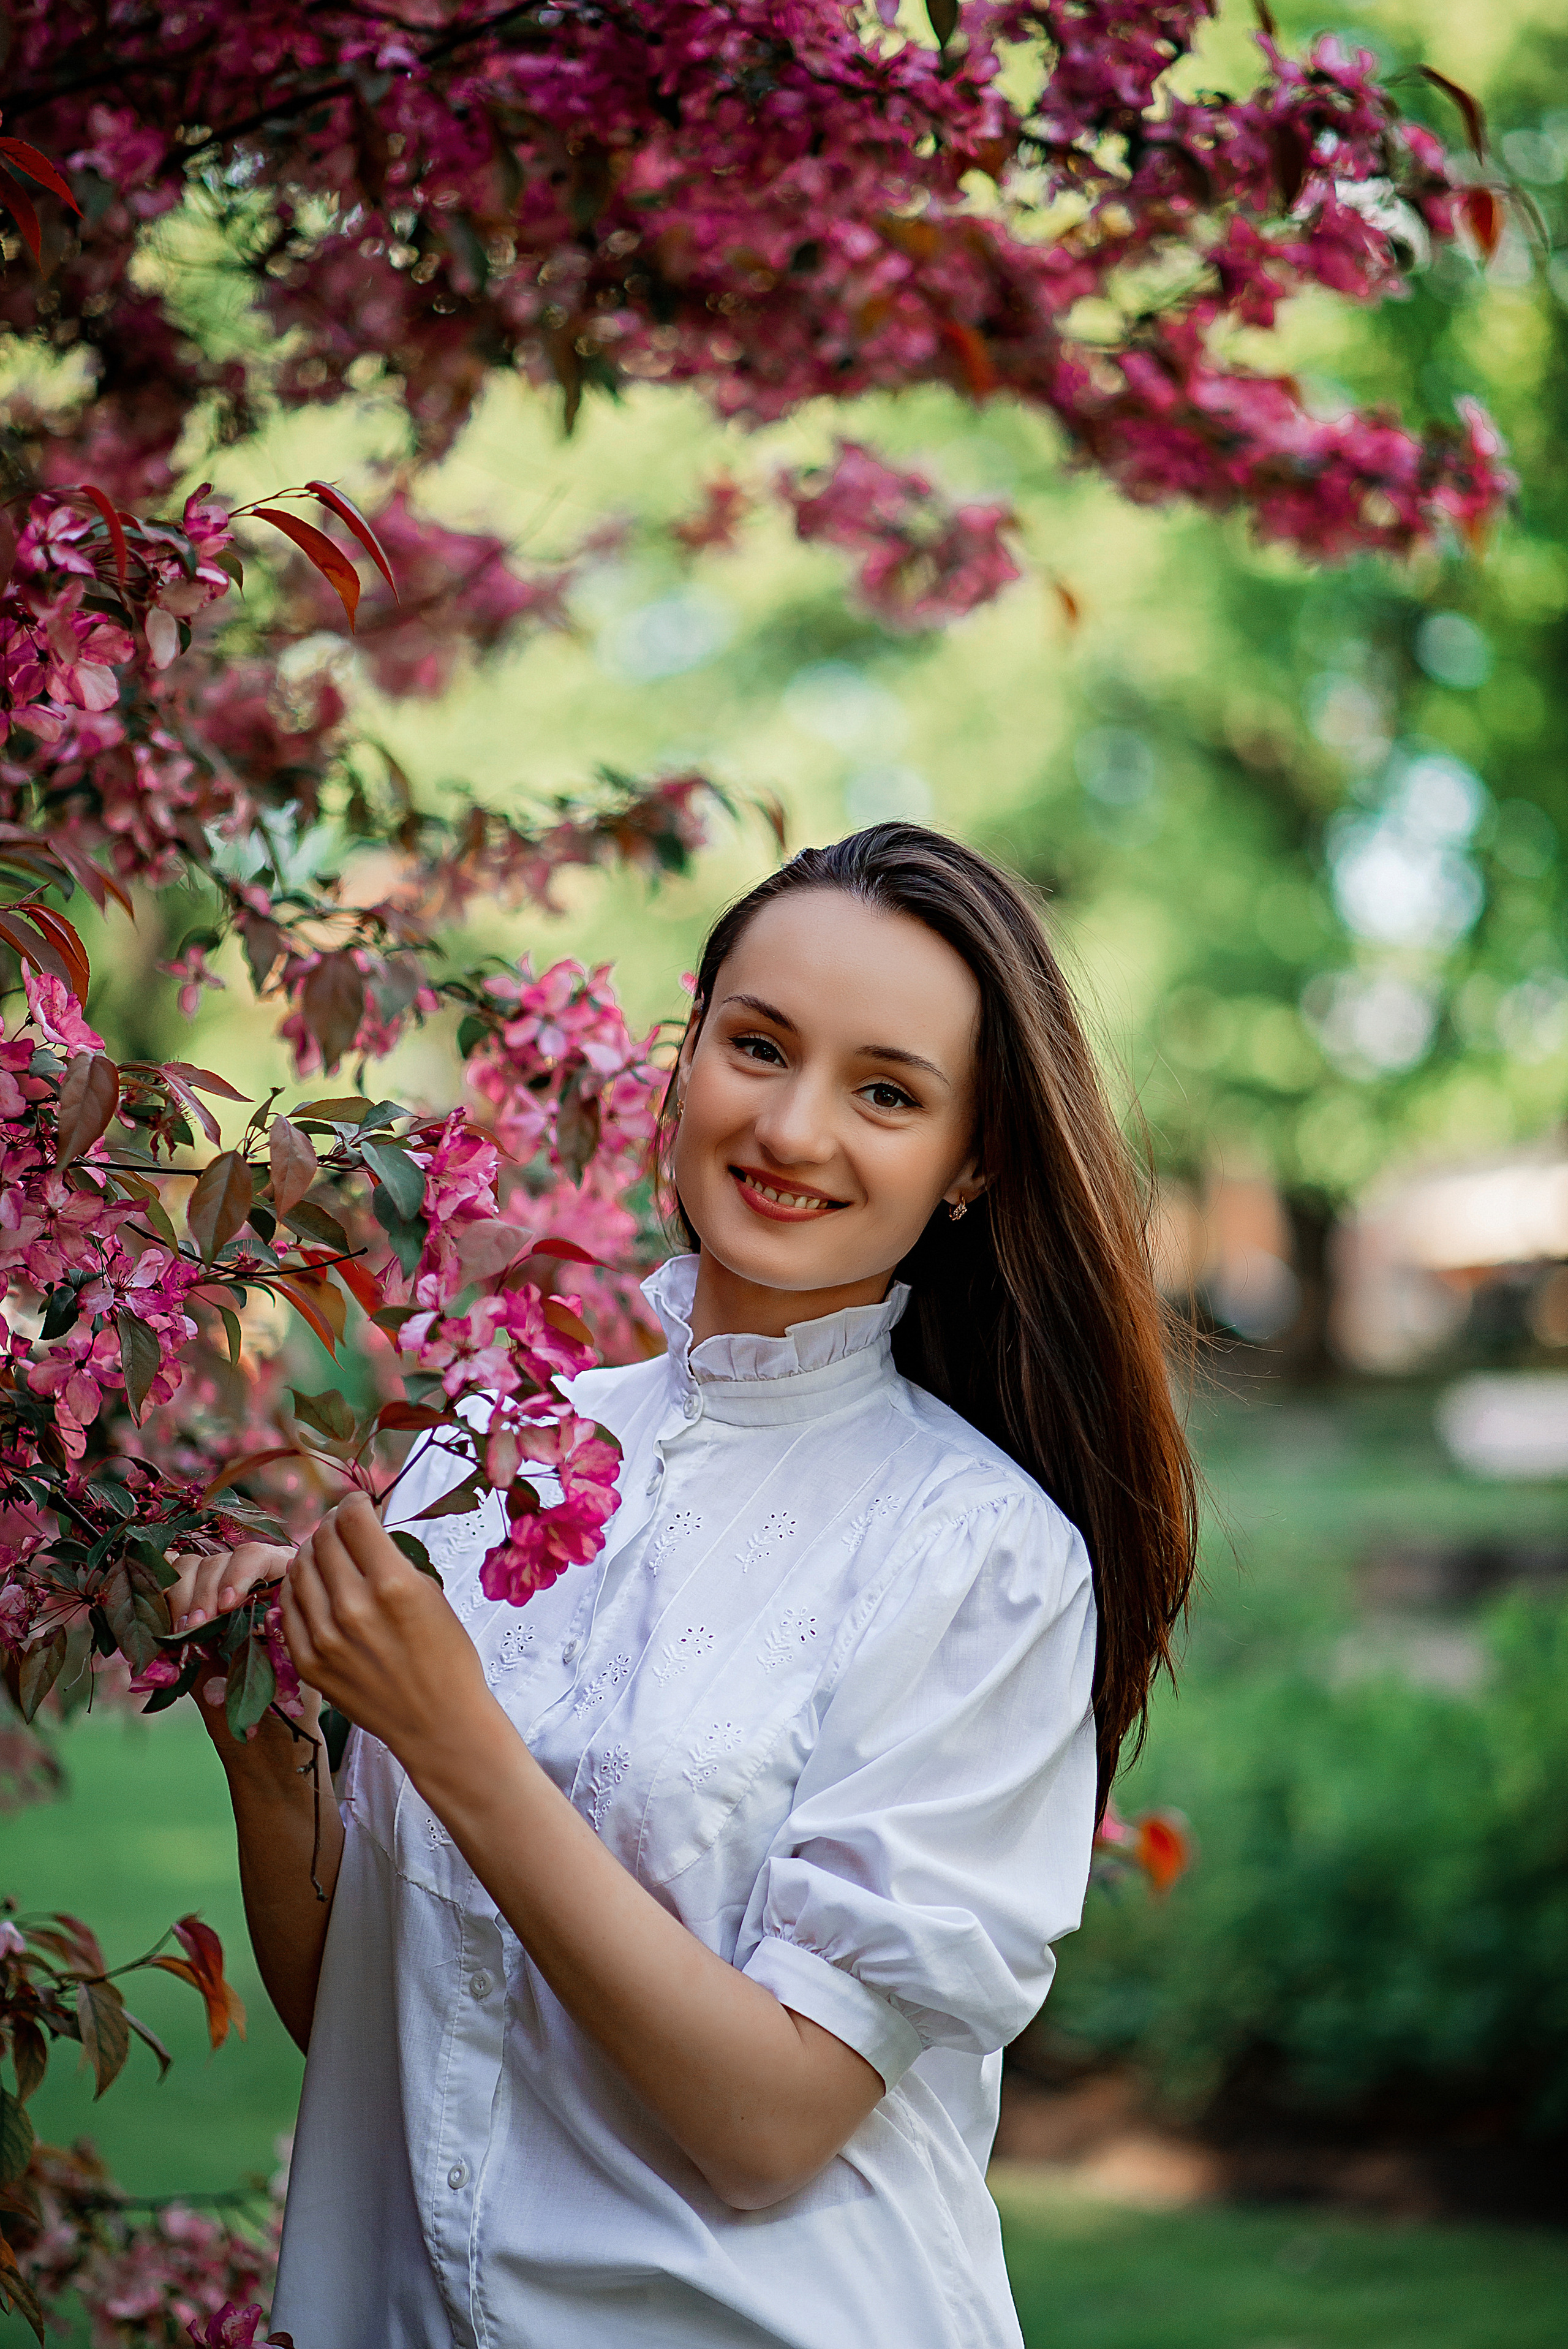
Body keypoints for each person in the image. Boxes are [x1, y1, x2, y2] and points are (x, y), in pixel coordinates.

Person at [172, 823, 1198, 2349]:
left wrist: (451, 1738)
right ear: (684, 1054)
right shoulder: (496, 1451)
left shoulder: (976, 1555)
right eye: (757, 1045)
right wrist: (276, 1783)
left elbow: (769, 2123)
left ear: (971, 1160)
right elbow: (397, 2032)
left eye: (884, 1091)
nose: (791, 1128)